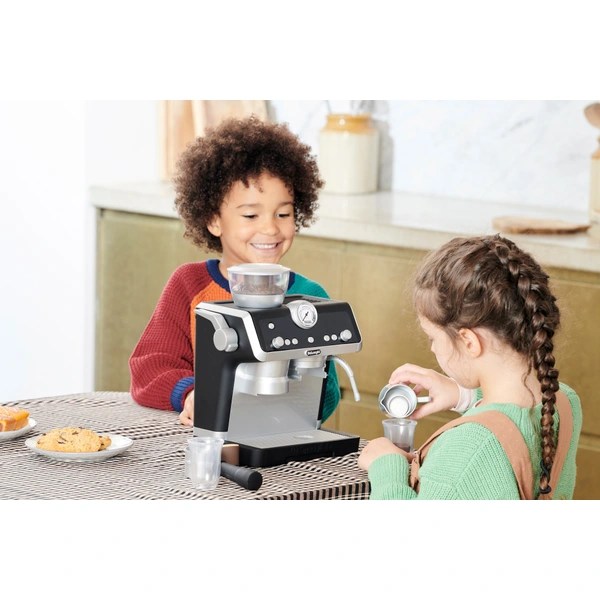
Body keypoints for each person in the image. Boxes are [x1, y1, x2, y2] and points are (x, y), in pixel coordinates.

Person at [129, 116, 340, 426]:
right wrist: (192, 394)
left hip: (278, 435)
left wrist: (304, 370)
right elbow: (151, 367)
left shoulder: (310, 297)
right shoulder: (189, 285)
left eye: (283, 214)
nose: (270, 228)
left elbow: (327, 396)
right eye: (251, 215)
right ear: (214, 220)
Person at [358, 234, 582, 499]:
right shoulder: (562, 403)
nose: (432, 348)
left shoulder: (465, 451)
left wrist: (387, 468)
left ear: (468, 341)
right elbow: (512, 421)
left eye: (433, 338)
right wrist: (461, 394)